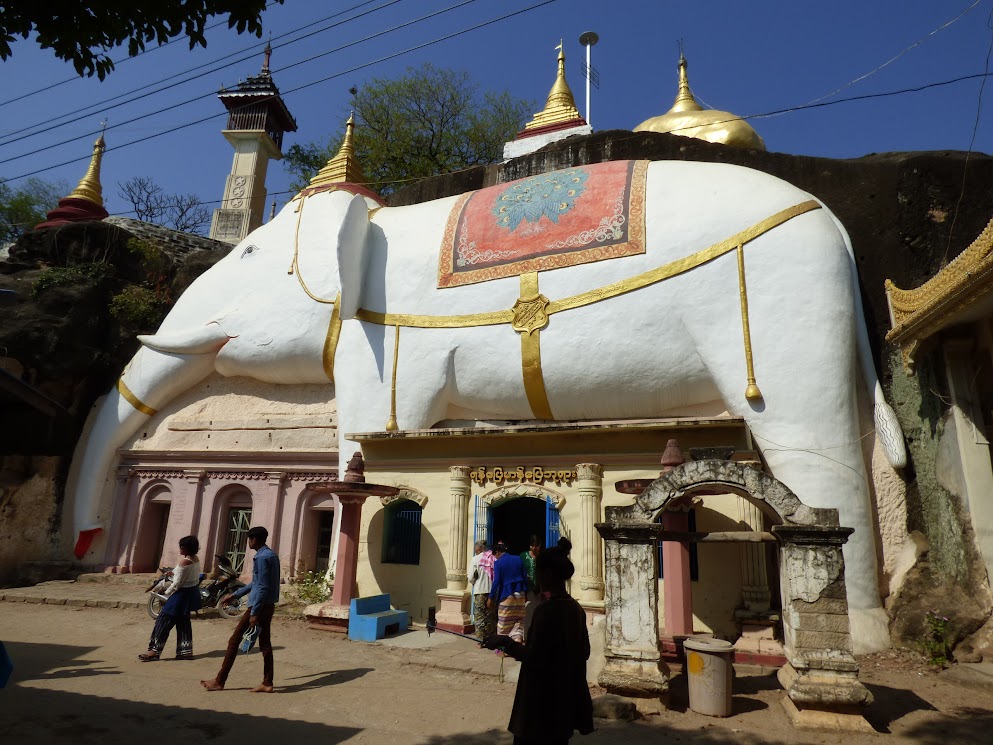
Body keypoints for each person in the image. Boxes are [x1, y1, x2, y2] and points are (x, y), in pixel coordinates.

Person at [483, 543, 594, 745]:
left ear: (548, 575)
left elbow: (535, 657)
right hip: (564, 701)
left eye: (540, 573)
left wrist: (504, 642)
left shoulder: (547, 611)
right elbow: (584, 651)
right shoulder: (576, 608)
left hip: (540, 703)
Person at [201, 526, 280, 693]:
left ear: (254, 540)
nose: (248, 542)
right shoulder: (270, 555)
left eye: (249, 539)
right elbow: (257, 583)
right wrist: (236, 595)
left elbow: (262, 587)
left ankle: (220, 680)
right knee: (265, 643)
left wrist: (254, 612)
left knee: (234, 641)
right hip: (267, 605)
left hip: (259, 606)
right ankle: (267, 682)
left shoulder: (261, 558)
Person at [139, 535, 202, 661]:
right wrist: (172, 574)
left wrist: (165, 593)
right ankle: (185, 651)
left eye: (182, 547)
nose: (180, 549)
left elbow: (177, 583)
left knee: (163, 621)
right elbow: (183, 576)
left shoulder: (185, 562)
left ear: (187, 548)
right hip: (189, 594)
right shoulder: (195, 559)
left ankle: (154, 651)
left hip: (180, 596)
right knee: (183, 622)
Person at [488, 541, 529, 643]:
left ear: (497, 552)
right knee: (518, 621)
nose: (495, 559)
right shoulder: (518, 559)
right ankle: (517, 640)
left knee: (504, 623)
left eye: (495, 556)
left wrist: (490, 597)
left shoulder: (498, 563)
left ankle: (502, 648)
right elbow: (525, 577)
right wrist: (526, 594)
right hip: (520, 595)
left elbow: (496, 582)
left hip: (507, 596)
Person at [468, 540, 496, 640]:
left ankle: (480, 640)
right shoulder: (492, 558)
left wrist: (474, 581)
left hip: (480, 591)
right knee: (490, 616)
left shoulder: (475, 559)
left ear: (479, 549)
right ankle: (491, 639)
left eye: (476, 550)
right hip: (492, 591)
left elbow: (471, 577)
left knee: (480, 617)